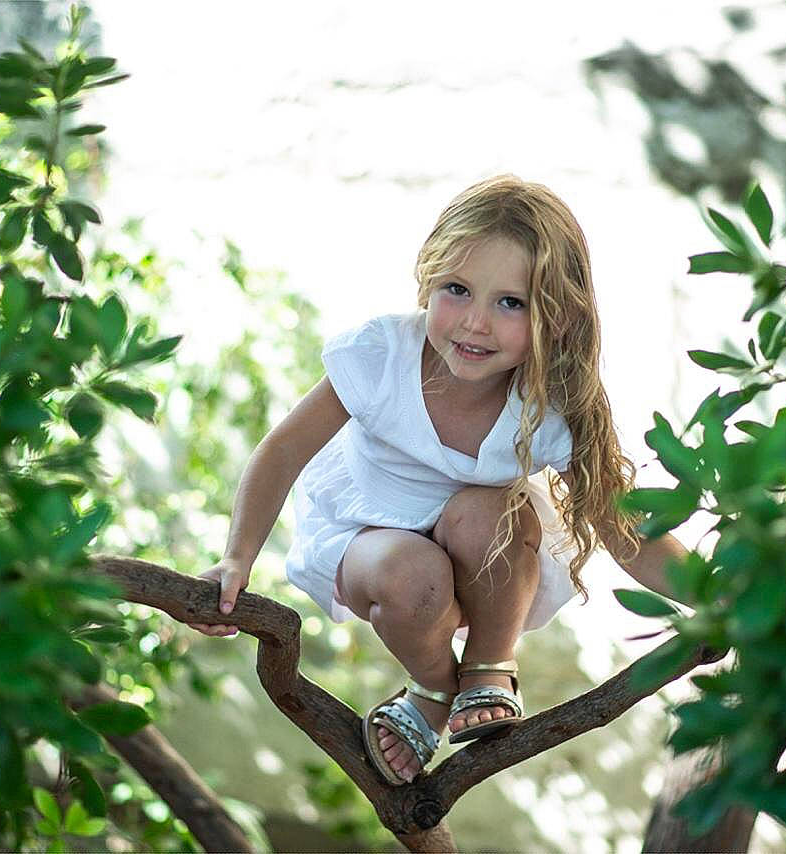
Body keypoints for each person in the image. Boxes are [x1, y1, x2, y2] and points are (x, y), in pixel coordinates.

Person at [188, 175, 686, 785]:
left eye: (511, 303)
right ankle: (432, 688)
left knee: (495, 511)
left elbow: (624, 530)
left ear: (558, 315)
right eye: (457, 289)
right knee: (411, 570)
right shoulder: (383, 354)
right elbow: (283, 451)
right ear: (428, 278)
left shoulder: (548, 404)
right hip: (371, 541)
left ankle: (488, 669)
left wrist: (730, 602)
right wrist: (236, 560)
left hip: (486, 563)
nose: (475, 322)